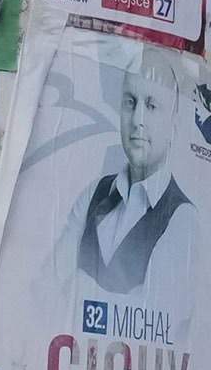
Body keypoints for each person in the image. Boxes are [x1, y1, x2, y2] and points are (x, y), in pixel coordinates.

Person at [67, 44, 193, 295]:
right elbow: (47, 283)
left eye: (152, 106)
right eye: (130, 103)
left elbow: (155, 306)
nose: (138, 120)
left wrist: (78, 284)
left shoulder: (183, 218)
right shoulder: (94, 193)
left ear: (174, 128)